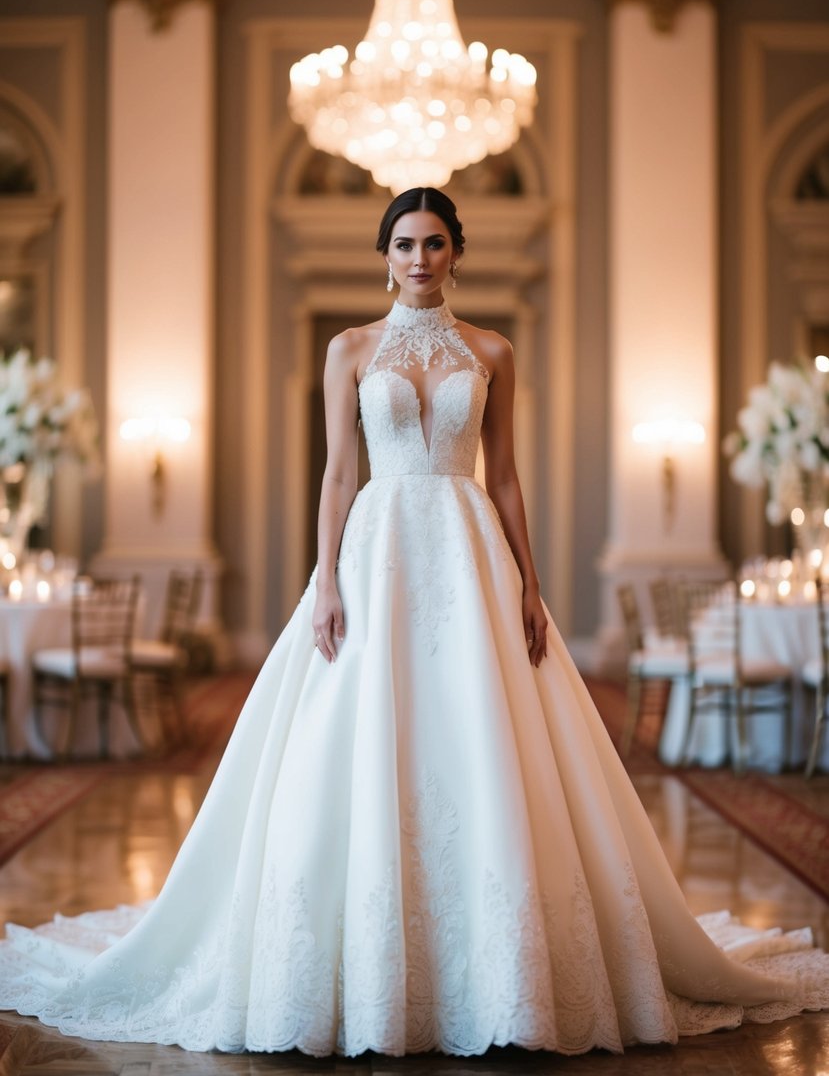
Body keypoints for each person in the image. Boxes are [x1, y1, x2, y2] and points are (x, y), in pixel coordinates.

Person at [0, 187, 826, 1058]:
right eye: (403, 244)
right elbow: (336, 475)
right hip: (377, 551)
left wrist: (529, 584)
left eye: (433, 243)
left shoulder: (492, 350)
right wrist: (324, 581)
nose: (418, 259)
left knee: (481, 732)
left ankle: (499, 970)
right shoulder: (349, 349)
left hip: (470, 552)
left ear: (455, 253)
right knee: (367, 727)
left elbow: (503, 476)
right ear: (384, 255)